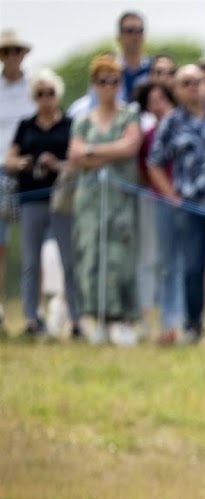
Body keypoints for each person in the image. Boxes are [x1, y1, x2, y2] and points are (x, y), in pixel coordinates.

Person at [148, 64, 205, 346]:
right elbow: (155, 163)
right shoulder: (172, 122)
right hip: (191, 208)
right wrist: (171, 194)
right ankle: (193, 327)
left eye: (197, 81)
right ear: (177, 90)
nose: (192, 87)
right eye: (185, 83)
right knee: (193, 269)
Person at [67, 54, 143, 346]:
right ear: (94, 85)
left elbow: (129, 147)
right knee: (91, 256)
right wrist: (107, 150)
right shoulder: (83, 120)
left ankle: (122, 320)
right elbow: (74, 154)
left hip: (120, 199)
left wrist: (93, 152)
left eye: (113, 81)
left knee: (119, 257)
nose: (108, 86)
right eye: (102, 81)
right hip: (88, 200)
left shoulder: (129, 115)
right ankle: (95, 320)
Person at [5, 69, 78, 339]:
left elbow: (78, 160)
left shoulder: (69, 125)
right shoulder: (25, 126)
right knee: (30, 261)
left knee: (69, 260)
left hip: (62, 200)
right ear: (33, 97)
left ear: (57, 94)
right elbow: (10, 160)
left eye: (50, 93)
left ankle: (75, 318)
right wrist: (24, 162)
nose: (45, 98)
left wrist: (56, 164)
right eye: (39, 93)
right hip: (31, 199)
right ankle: (32, 318)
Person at [0, 29, 37, 335]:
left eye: (16, 51)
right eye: (6, 51)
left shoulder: (35, 89)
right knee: (0, 245)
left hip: (28, 176)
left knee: (30, 248)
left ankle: (31, 316)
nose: (11, 57)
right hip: (1, 173)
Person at [134, 81, 176, 342]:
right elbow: (144, 169)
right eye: (151, 100)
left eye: (161, 97)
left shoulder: (181, 127)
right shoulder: (148, 135)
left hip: (182, 203)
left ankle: (172, 321)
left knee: (173, 264)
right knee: (150, 260)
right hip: (154, 201)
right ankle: (147, 318)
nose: (157, 103)